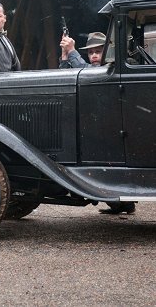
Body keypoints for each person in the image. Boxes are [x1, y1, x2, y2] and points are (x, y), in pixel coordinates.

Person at [58, 31, 135, 214]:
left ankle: (121, 202)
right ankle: (119, 204)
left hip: (109, 125)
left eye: (98, 51)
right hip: (95, 123)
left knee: (108, 165)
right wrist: (65, 57)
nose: (93, 55)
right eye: (91, 52)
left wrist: (73, 52)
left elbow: (87, 74)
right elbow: (63, 78)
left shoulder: (109, 68)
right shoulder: (86, 64)